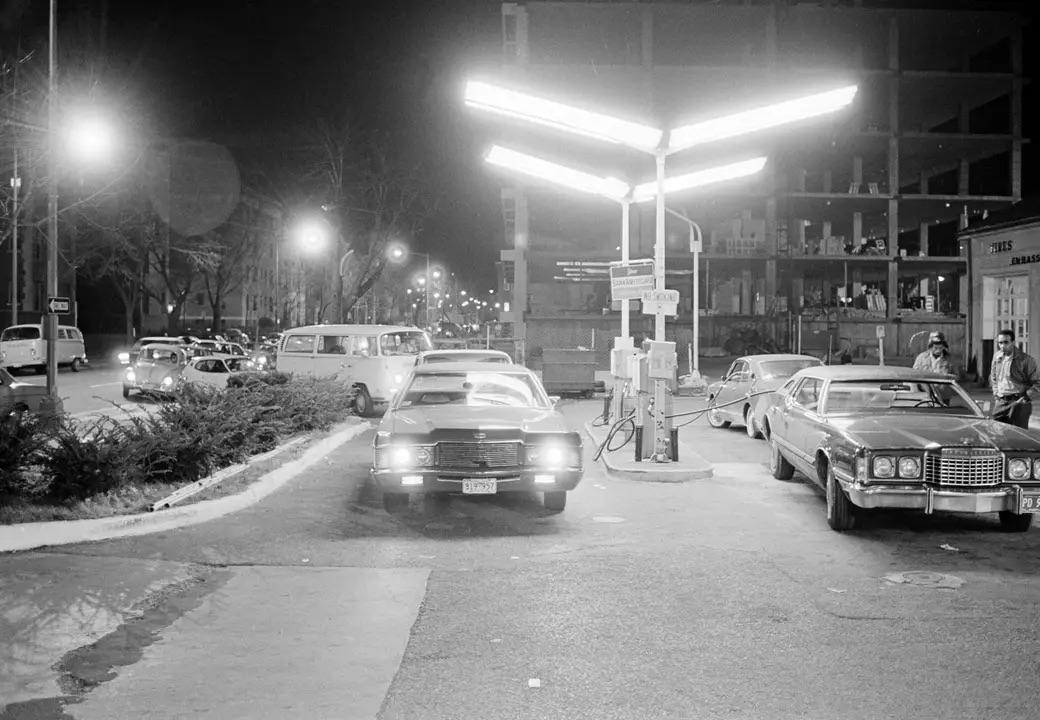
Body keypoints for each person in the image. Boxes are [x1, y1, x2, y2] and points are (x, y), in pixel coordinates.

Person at [990, 328, 1040, 428]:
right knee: (997, 433)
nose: (1002, 346)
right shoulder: (997, 357)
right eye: (1000, 343)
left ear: (1013, 342)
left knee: (1018, 434)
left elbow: (1037, 383)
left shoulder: (1026, 360)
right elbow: (993, 376)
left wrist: (1026, 397)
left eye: (1006, 342)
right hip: (1001, 402)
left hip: (1018, 401)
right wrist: (996, 394)